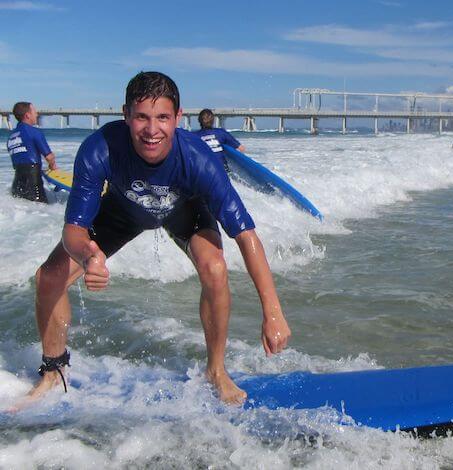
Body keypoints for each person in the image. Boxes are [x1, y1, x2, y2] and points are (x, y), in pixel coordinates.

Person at [26, 71, 290, 408]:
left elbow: (245, 234)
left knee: (215, 269)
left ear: (179, 118)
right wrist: (87, 255)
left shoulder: (199, 159)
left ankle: (216, 371)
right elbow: (73, 230)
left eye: (163, 117)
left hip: (185, 210)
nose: (152, 130)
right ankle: (53, 370)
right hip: (123, 212)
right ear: (126, 115)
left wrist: (273, 311)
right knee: (48, 278)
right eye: (142, 117)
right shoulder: (98, 149)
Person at [6, 102, 57, 202]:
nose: (37, 114)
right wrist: (52, 167)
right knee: (41, 211)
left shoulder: (11, 137)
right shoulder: (34, 132)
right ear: (27, 115)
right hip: (33, 182)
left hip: (17, 182)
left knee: (22, 212)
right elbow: (49, 157)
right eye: (34, 112)